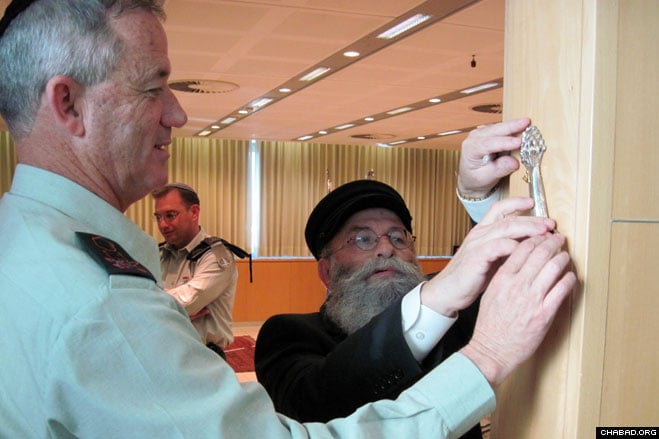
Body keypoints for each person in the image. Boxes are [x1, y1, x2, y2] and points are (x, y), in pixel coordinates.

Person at [0, 1, 577, 437]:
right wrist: (489, 357)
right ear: (68, 103)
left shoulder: (24, 248)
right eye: (155, 87)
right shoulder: (102, 303)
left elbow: (509, 284)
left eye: (398, 236)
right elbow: (322, 397)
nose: (177, 112)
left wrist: (481, 201)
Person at [255, 179, 485, 437]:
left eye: (398, 237)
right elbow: (313, 408)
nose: (386, 249)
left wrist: (479, 197)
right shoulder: (289, 334)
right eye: (362, 239)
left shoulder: (450, 312)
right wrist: (428, 307)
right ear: (327, 272)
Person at [152, 182, 238, 355]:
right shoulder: (159, 253)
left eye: (170, 215)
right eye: (158, 217)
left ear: (194, 212)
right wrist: (173, 312)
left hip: (204, 356)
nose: (163, 225)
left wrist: (154, 303)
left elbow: (186, 303)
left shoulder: (215, 256)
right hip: (167, 350)